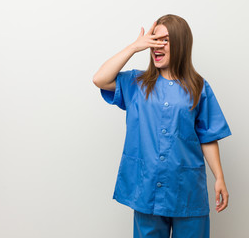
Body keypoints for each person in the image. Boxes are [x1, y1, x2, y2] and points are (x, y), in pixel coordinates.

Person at [93, 14, 232, 238]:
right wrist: (134, 47)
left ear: (181, 44)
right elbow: (100, 79)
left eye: (165, 40)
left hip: (186, 190)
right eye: (154, 39)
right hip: (146, 189)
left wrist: (219, 178)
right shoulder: (136, 83)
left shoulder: (198, 87)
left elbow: (208, 137)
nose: (157, 45)